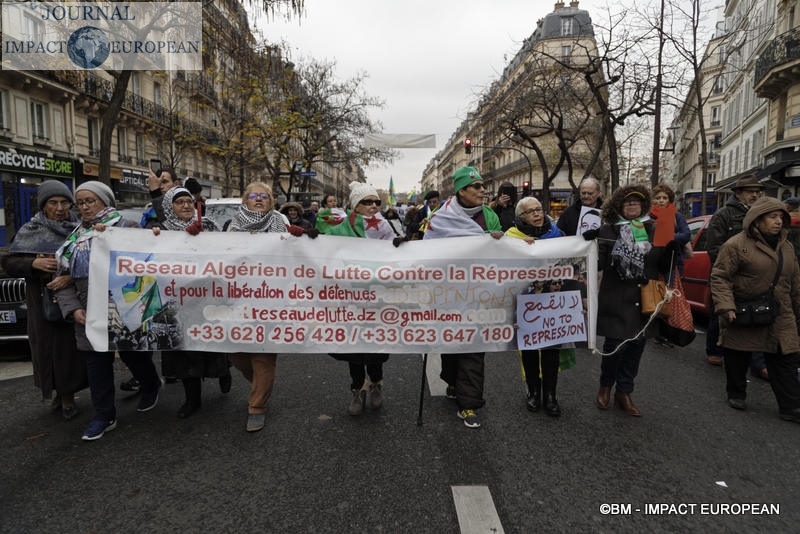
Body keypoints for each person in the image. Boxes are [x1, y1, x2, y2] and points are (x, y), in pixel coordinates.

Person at [54, 181, 161, 440]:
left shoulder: (127, 228)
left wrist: (156, 237)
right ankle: (104, 416)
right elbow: (62, 280)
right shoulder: (75, 238)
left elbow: (150, 262)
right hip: (89, 313)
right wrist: (73, 309)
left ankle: (150, 385)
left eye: (90, 201)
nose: (85, 207)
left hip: (125, 309)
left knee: (134, 356)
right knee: (97, 365)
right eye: (80, 203)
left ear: (105, 201)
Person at [424, 167, 502, 428]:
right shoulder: (440, 217)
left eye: (482, 185)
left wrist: (498, 240)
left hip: (479, 293)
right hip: (448, 294)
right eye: (476, 186)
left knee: (474, 348)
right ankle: (452, 381)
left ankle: (468, 403)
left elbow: (501, 250)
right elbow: (428, 250)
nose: (482, 190)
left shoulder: (490, 215)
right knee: (451, 345)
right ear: (461, 190)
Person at [710, 197, 800, 423]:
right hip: (746, 310)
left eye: (781, 217)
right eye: (772, 217)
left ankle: (791, 406)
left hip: (781, 313)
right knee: (738, 355)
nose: (778, 221)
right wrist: (726, 306)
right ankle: (736, 393)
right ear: (757, 220)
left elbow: (795, 284)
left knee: (786, 359)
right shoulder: (735, 245)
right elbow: (720, 277)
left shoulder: (787, 247)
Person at [2, 181, 86, 420]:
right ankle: (58, 392)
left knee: (68, 352)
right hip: (41, 304)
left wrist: (70, 276)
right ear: (43, 205)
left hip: (72, 302)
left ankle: (68, 396)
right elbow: (9, 263)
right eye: (53, 203)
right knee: (47, 351)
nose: (59, 208)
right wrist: (33, 263)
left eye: (64, 202)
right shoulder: (30, 230)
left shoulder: (79, 230)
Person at [593, 184, 675, 417]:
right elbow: (598, 264)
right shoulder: (608, 230)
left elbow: (663, 265)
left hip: (644, 298)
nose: (632, 205)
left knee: (636, 348)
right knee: (613, 347)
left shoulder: (655, 229)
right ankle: (605, 387)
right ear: (618, 206)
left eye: (636, 202)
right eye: (627, 202)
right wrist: (589, 244)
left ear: (643, 206)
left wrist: (671, 250)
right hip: (616, 296)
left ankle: (624, 392)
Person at [152, 187, 232, 418]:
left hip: (208, 296)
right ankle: (192, 399)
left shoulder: (208, 226)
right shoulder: (162, 230)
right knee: (184, 348)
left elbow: (226, 253)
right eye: (180, 202)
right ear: (170, 207)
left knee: (213, 341)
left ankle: (224, 372)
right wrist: (153, 238)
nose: (186, 205)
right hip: (178, 300)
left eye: (189, 201)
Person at [317, 181, 395, 415]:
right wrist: (312, 239)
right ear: (355, 205)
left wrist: (400, 247)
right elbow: (323, 251)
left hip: (377, 297)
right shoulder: (340, 227)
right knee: (354, 348)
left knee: (375, 347)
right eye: (367, 202)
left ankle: (376, 384)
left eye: (376, 202)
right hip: (350, 297)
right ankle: (357, 389)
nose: (373, 206)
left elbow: (397, 258)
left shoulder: (386, 226)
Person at [226, 182, 287, 432]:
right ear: (245, 201)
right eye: (253, 195)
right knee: (238, 355)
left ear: (271, 201)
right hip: (238, 299)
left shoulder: (280, 224)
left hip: (270, 299)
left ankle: (257, 406)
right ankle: (262, 383)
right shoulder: (231, 226)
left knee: (262, 355)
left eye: (264, 196)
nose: (259, 199)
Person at [505, 196, 565, 416]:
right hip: (525, 303)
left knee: (551, 350)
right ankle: (533, 391)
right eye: (531, 211)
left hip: (551, 302)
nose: (537, 214)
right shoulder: (511, 237)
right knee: (529, 350)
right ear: (521, 217)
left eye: (539, 209)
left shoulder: (557, 234)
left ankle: (550, 395)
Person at [704, 175, 765, 369]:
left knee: (754, 314)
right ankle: (715, 350)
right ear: (738, 193)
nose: (754, 195)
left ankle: (752, 358)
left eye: (757, 192)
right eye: (750, 191)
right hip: (728, 275)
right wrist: (734, 266)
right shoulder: (723, 214)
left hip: (754, 276)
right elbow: (714, 247)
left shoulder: (761, 214)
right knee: (721, 313)